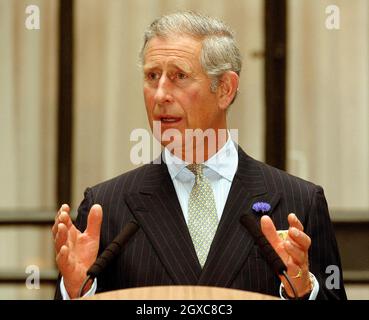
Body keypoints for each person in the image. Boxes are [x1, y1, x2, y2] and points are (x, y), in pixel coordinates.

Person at [53, 11, 347, 300]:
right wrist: (78, 290)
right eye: (152, 76)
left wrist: (303, 292)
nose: (159, 95)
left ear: (225, 89)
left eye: (179, 76)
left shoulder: (299, 201)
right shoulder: (105, 208)